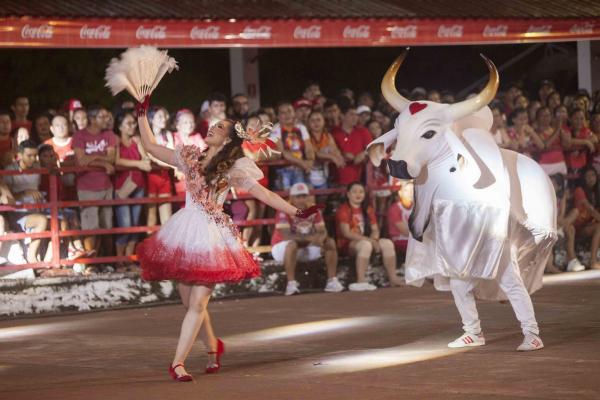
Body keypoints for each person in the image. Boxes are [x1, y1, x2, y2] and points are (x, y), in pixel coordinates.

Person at [135, 100, 321, 381]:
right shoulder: (189, 156)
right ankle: (213, 345)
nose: (212, 127)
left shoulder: (234, 168)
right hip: (185, 232)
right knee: (190, 304)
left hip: (212, 236)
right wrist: (141, 113)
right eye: (213, 124)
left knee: (198, 304)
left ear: (230, 138)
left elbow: (265, 195)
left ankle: (178, 363)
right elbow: (150, 146)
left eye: (220, 127)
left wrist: (297, 212)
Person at [271, 182, 343, 295]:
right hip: (282, 248)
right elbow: (286, 236)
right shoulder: (284, 209)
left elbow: (322, 231)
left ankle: (332, 281)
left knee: (330, 242)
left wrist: (319, 239)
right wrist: (311, 239)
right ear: (291, 197)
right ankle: (291, 284)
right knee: (292, 244)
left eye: (304, 196)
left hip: (305, 247)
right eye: (298, 196)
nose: (301, 199)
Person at [335, 181, 403, 290]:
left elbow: (375, 229)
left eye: (361, 192)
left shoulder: (367, 209)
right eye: (355, 192)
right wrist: (370, 241)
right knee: (365, 245)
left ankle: (393, 277)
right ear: (348, 194)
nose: (358, 194)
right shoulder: (344, 210)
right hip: (348, 243)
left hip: (367, 239)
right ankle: (361, 280)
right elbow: (346, 233)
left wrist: (374, 239)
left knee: (387, 243)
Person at [72, 105, 118, 255]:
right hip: (86, 186)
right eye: (102, 116)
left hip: (105, 185)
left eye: (107, 116)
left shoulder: (109, 134)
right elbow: (81, 160)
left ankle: (106, 261)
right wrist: (103, 163)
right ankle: (91, 262)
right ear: (92, 119)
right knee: (91, 226)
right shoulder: (79, 135)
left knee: (106, 225)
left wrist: (95, 157)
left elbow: (111, 157)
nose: (107, 119)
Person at [114, 111, 151, 269]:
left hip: (138, 184)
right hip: (122, 186)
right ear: (120, 126)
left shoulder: (137, 141)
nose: (133, 126)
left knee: (135, 225)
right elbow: (116, 161)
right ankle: (119, 260)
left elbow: (146, 160)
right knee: (126, 224)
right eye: (129, 123)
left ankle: (128, 260)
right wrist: (137, 164)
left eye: (133, 123)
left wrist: (141, 161)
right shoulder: (116, 141)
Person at [3, 140, 48, 263]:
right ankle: (31, 256)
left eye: (35, 155)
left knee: (63, 220)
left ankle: (51, 261)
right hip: (18, 213)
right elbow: (7, 198)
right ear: (20, 155)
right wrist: (24, 192)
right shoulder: (9, 169)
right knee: (42, 220)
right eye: (29, 156)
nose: (33, 159)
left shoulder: (38, 167)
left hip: (37, 208)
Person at [270, 101, 315, 189]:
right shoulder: (275, 130)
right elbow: (283, 152)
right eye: (283, 113)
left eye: (289, 111)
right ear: (278, 116)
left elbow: (309, 149)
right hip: (284, 171)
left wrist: (310, 161)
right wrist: (303, 163)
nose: (287, 115)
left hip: (302, 168)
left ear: (294, 113)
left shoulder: (301, 128)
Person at [564, 167, 600, 271]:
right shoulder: (579, 190)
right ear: (583, 179)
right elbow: (591, 210)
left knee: (598, 227)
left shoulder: (596, 192)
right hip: (576, 226)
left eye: (593, 175)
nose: (591, 178)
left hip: (587, 225)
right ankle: (593, 262)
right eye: (588, 176)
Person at [332, 100, 373, 186]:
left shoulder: (363, 131)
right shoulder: (333, 132)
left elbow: (373, 148)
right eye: (351, 114)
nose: (355, 118)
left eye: (356, 115)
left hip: (357, 180)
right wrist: (341, 154)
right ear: (342, 116)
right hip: (335, 180)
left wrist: (364, 153)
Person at [146, 106, 175, 228]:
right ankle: (149, 245)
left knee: (167, 218)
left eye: (164, 116)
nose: (163, 119)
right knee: (151, 216)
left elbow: (172, 154)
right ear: (151, 119)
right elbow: (151, 156)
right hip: (150, 177)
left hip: (164, 176)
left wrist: (171, 162)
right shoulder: (146, 135)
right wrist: (172, 163)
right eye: (159, 116)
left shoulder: (167, 134)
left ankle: (165, 246)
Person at [306, 110, 344, 189]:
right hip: (308, 173)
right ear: (308, 123)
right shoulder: (305, 136)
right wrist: (332, 157)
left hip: (323, 173)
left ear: (324, 122)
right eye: (312, 120)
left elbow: (335, 150)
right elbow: (316, 154)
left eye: (318, 120)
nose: (316, 123)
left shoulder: (327, 136)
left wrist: (338, 156)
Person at [387, 180, 414, 255]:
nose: (410, 193)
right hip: (399, 239)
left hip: (413, 239)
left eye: (413, 190)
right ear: (400, 193)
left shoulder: (416, 207)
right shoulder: (395, 208)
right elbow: (405, 231)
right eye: (406, 190)